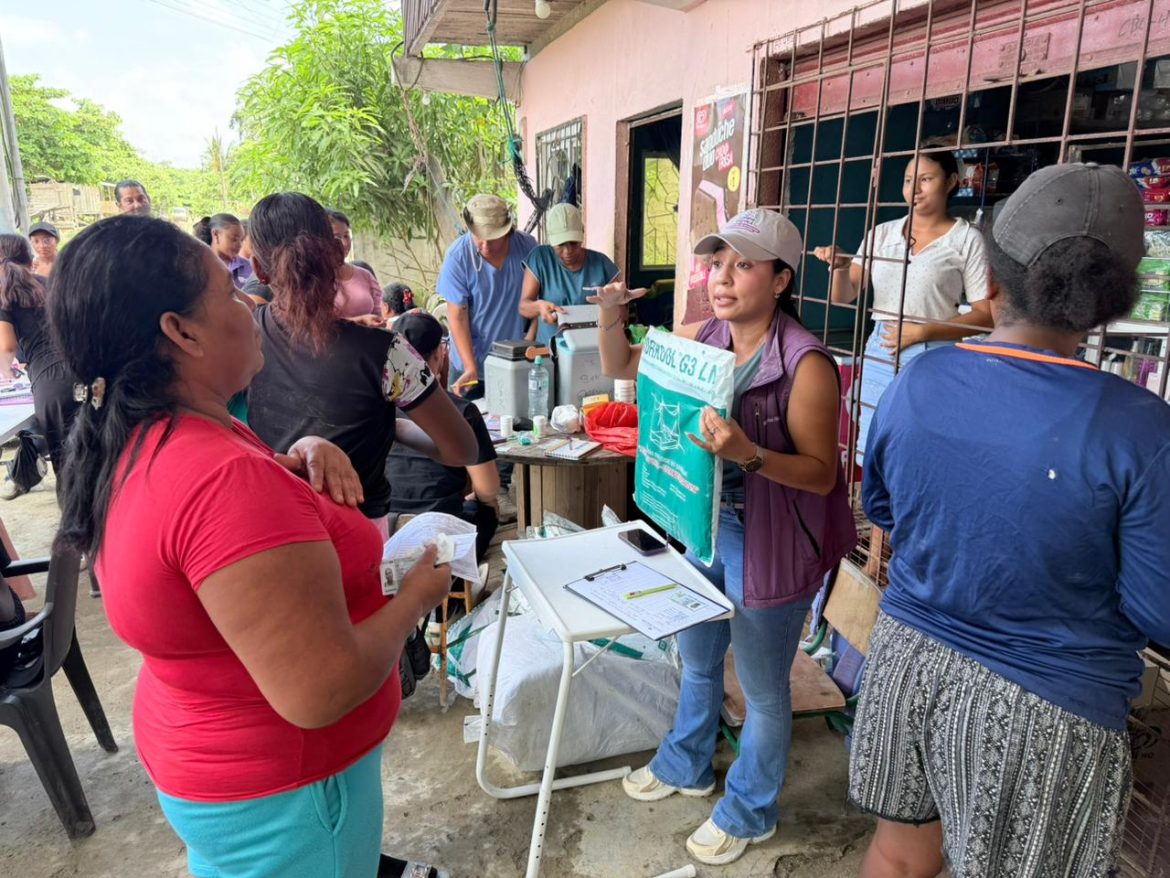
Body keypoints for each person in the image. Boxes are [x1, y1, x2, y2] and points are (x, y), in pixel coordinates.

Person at [48, 212, 454, 878]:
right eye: (228, 293)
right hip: (288, 794)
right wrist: (417, 595)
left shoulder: (147, 437)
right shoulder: (228, 477)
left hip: (214, 764)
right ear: (181, 333)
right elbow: (320, 690)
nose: (250, 302)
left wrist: (300, 451)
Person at [850, 163, 1170, 878]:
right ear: (1109, 305)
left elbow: (884, 509)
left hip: (907, 659)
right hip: (1047, 708)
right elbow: (1159, 608)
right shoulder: (1142, 428)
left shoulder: (921, 380)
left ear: (991, 278)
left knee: (897, 855)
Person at [592, 209, 856, 866]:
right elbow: (621, 363)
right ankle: (685, 763)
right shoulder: (707, 338)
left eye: (743, 265)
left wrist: (747, 454)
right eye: (717, 263)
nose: (723, 278)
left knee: (764, 689)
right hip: (707, 526)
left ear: (781, 279)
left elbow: (822, 476)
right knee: (699, 656)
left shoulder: (806, 364)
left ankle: (750, 810)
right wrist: (608, 313)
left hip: (773, 538)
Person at [246, 193, 478, 539]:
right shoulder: (387, 353)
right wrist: (392, 427)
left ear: (258, 269)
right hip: (358, 536)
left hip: (276, 534)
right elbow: (463, 449)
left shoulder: (246, 333)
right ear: (337, 254)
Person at [814, 150, 991, 457]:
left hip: (934, 354)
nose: (914, 189)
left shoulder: (966, 239)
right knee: (874, 443)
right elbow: (843, 296)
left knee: (922, 446)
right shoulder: (882, 234)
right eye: (909, 180)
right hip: (881, 349)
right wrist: (840, 267)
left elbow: (986, 316)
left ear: (951, 182)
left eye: (926, 179)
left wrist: (923, 332)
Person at [385, 311, 499, 562]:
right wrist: (477, 497)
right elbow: (488, 489)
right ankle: (464, 576)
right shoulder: (462, 411)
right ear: (439, 353)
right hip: (440, 534)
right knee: (489, 507)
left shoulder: (376, 406)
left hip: (386, 530)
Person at [437, 194, 537, 398]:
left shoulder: (527, 247)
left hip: (515, 359)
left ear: (507, 231)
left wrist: (529, 342)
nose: (484, 244)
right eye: (478, 237)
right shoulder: (457, 257)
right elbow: (457, 316)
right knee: (466, 416)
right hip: (470, 364)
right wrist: (469, 366)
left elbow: (539, 299)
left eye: (492, 238)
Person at [0, 235, 78, 480]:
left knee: (71, 473)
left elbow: (6, 348)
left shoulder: (3, 294)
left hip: (52, 385)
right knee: (103, 462)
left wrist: (6, 371)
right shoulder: (50, 283)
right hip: (85, 371)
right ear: (29, 258)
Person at [520, 203, 619, 345]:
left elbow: (621, 312)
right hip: (549, 350)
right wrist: (539, 307)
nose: (568, 251)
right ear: (551, 239)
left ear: (582, 234)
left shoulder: (602, 264)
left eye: (573, 243)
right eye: (560, 245)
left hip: (592, 348)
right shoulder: (540, 258)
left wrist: (610, 307)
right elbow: (524, 306)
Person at [327, 210, 382, 319]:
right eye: (336, 237)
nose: (344, 243)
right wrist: (360, 321)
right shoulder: (315, 281)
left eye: (346, 236)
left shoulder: (365, 275)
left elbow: (380, 314)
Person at [192, 214, 249, 287]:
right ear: (216, 235)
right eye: (234, 239)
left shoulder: (248, 267)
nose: (240, 245)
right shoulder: (196, 268)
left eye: (241, 240)